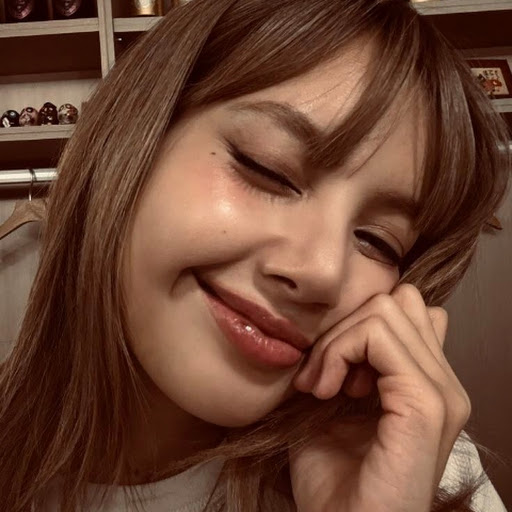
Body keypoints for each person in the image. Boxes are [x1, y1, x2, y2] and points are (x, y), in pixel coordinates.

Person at [0, 0, 509, 511]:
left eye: (378, 241)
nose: (323, 271)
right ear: (132, 142)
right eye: (268, 170)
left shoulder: (420, 466)